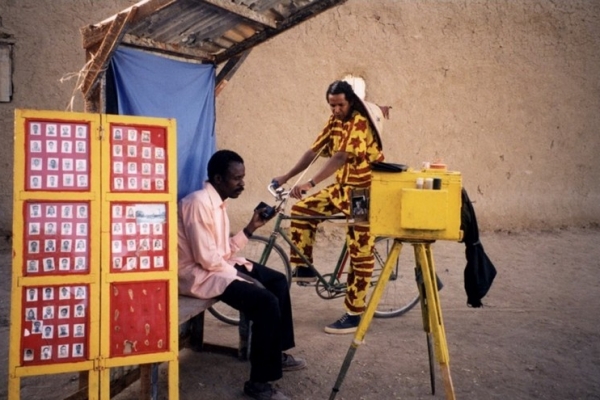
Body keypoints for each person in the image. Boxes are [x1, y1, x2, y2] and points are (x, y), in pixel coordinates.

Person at [178, 150, 305, 400]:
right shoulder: (198, 204)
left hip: (217, 267)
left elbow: (222, 252)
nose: (242, 184)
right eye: (237, 178)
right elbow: (207, 259)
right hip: (198, 275)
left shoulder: (218, 203)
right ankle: (259, 384)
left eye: (242, 178)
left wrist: (251, 227)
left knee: (277, 281)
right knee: (265, 301)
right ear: (218, 179)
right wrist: (244, 278)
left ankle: (275, 352)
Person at [273, 80, 388, 335]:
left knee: (359, 252)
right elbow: (314, 151)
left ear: (351, 102)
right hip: (341, 189)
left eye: (340, 105)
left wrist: (311, 183)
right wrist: (287, 176)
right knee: (302, 210)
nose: (336, 110)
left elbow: (340, 156)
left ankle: (355, 314)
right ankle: (305, 268)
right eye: (332, 105)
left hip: (362, 194)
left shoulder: (359, 122)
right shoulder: (334, 121)